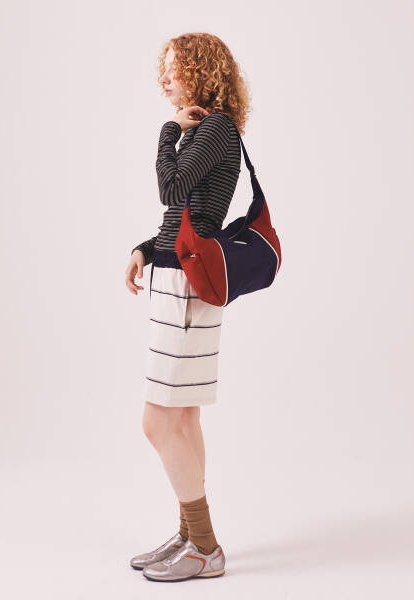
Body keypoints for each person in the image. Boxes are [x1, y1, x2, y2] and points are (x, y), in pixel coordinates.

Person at [125, 32, 250, 582]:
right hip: (180, 274)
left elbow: (171, 191)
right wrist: (145, 247)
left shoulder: (214, 128)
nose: (164, 78)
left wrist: (168, 130)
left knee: (158, 421)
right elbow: (190, 216)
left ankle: (204, 546)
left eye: (174, 68)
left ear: (201, 71)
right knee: (183, 416)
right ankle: (190, 536)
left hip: (185, 286)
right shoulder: (212, 130)